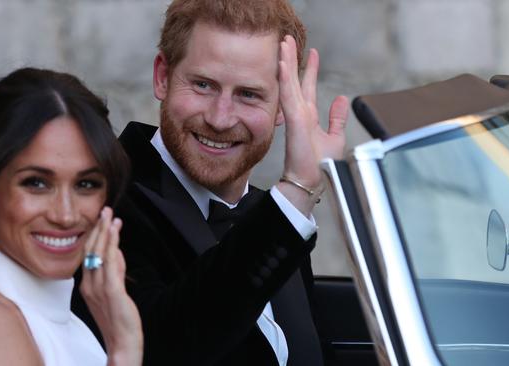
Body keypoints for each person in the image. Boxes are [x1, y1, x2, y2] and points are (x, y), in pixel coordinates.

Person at [71, 0, 350, 365]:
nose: (220, 119)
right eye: (203, 85)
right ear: (162, 77)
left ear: (283, 106)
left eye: (248, 94)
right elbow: (158, 348)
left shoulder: (276, 217)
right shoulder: (101, 201)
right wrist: (297, 191)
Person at [0, 68, 143, 366]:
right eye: (37, 183)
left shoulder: (61, 318)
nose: (65, 215)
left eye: (86, 184)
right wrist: (123, 352)